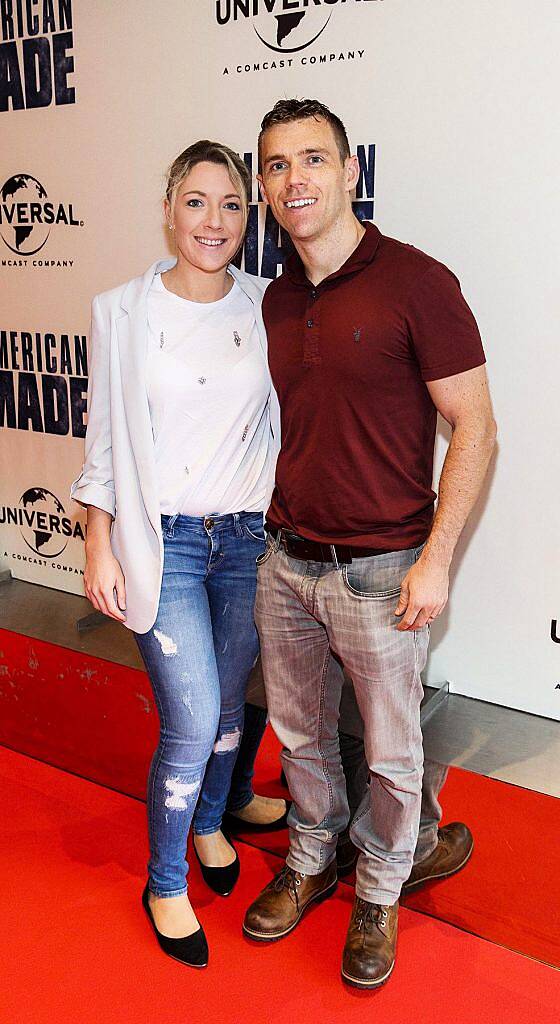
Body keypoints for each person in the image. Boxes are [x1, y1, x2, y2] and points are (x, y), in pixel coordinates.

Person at [243, 99, 497, 989]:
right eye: (276, 165)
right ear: (265, 187)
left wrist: (435, 561)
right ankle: (313, 862)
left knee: (391, 756)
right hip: (287, 559)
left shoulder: (419, 282)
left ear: (351, 171)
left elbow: (475, 430)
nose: (294, 179)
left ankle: (381, 889)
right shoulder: (275, 297)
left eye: (313, 159)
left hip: (385, 569)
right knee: (302, 737)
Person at [71, 140, 285, 969]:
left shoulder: (267, 306)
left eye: (231, 204)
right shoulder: (121, 310)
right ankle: (165, 882)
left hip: (246, 542)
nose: (214, 220)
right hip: (165, 544)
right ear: (169, 207)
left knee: (230, 708)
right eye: (197, 202)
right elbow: (101, 444)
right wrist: (97, 542)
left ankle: (207, 827)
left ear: (248, 216)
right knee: (193, 720)